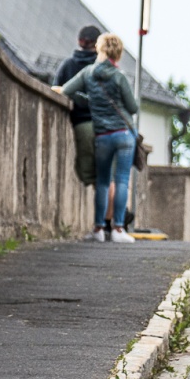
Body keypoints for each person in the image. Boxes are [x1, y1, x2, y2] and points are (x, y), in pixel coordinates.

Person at [59, 33, 139, 244]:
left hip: (102, 135)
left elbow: (66, 90)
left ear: (99, 49)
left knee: (102, 182)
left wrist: (89, 100)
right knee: (121, 180)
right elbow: (133, 107)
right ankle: (118, 229)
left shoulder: (88, 73)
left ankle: (98, 229)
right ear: (118, 53)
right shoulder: (120, 76)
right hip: (123, 134)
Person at [54, 25, 101, 186]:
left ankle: (109, 206)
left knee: (87, 173)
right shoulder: (103, 68)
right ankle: (118, 208)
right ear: (97, 45)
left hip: (82, 124)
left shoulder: (67, 66)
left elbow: (56, 91)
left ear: (79, 42)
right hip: (108, 126)